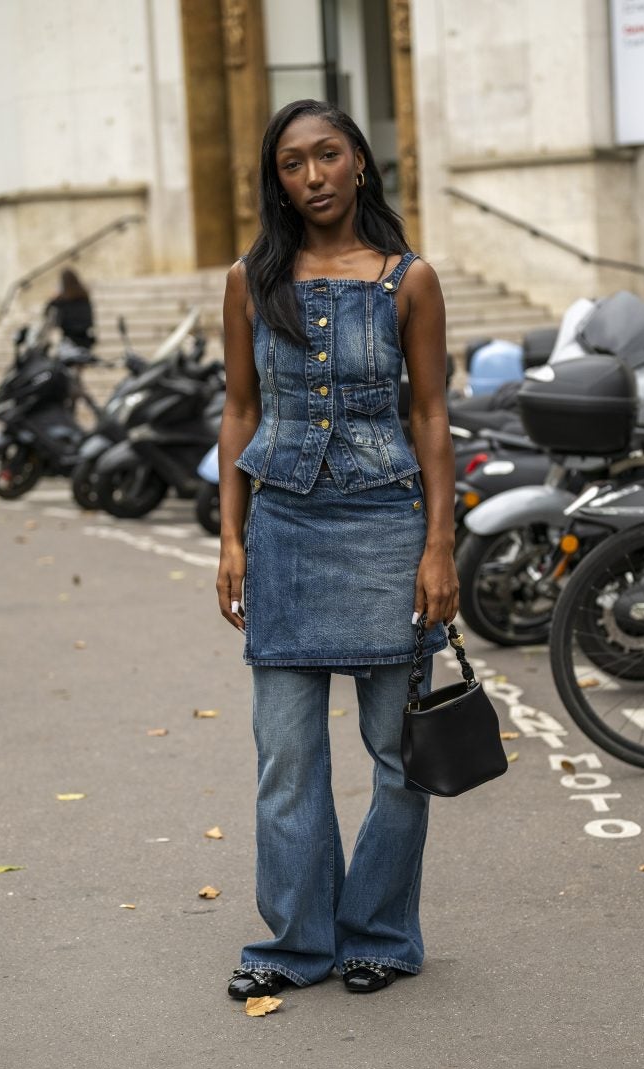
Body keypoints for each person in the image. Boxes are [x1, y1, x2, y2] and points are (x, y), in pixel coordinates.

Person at [217, 98, 459, 1000]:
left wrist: (439, 545)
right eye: (292, 163)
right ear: (275, 180)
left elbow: (431, 415)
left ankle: (381, 934)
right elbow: (240, 411)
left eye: (328, 155)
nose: (313, 175)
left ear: (360, 161)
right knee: (285, 754)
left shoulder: (410, 280)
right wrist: (231, 537)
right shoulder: (249, 280)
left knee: (398, 754)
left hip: (387, 529)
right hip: (283, 529)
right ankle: (295, 944)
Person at [45, 268, 95, 349]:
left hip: (70, 338)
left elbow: (47, 312)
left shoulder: (62, 300)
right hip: (85, 337)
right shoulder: (84, 296)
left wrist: (52, 299)